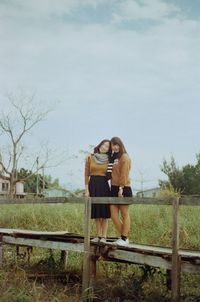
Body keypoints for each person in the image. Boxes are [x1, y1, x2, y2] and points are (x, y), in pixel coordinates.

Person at [85, 139, 111, 243]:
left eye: (107, 146)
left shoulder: (110, 159)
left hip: (104, 185)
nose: (104, 147)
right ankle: (99, 236)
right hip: (93, 185)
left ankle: (104, 236)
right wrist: (86, 189)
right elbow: (86, 174)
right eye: (103, 145)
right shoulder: (90, 157)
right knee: (96, 212)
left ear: (109, 149)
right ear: (100, 145)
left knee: (104, 213)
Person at [109, 137, 132, 246]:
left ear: (120, 145)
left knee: (124, 214)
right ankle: (124, 236)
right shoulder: (113, 157)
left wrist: (121, 188)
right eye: (113, 145)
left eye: (117, 144)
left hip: (123, 188)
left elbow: (124, 174)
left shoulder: (125, 157)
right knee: (113, 214)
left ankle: (124, 238)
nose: (115, 147)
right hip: (113, 188)